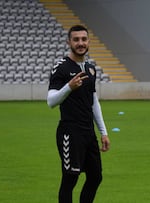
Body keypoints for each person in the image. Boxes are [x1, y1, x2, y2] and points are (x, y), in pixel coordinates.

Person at [47, 24, 110, 203]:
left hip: (88, 133)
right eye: (76, 39)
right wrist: (69, 87)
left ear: (88, 41)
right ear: (69, 42)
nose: (80, 43)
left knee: (95, 177)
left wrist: (103, 132)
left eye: (83, 39)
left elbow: (93, 101)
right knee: (70, 179)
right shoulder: (61, 68)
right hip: (70, 132)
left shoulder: (90, 69)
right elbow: (51, 101)